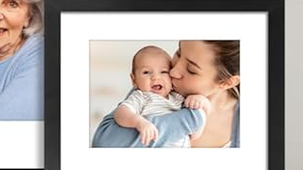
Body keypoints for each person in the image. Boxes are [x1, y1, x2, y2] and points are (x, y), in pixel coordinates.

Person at [92, 39, 241, 149]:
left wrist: (201, 109)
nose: (173, 71)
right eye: (178, 53)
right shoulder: (156, 91)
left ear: (226, 82)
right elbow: (104, 144)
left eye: (191, 70)